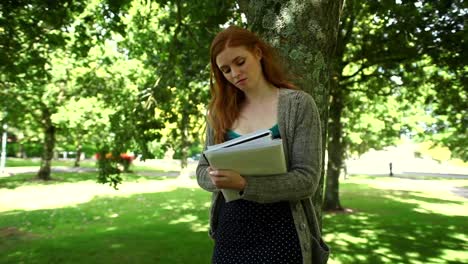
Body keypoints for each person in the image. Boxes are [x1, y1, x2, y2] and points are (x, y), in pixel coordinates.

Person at [196, 25, 323, 264]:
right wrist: (214, 178)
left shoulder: (298, 105)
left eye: (240, 62)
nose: (235, 73)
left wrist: (245, 184)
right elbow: (202, 170)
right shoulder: (219, 113)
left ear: (257, 53)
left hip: (283, 231)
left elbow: (306, 179)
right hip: (231, 232)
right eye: (226, 70)